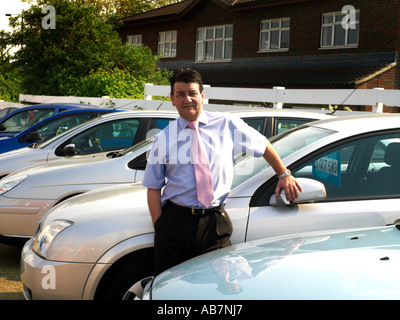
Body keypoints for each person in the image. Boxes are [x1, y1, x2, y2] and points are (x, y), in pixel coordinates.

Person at [142, 68, 302, 275]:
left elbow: (262, 145)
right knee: (172, 289)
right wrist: (161, 228)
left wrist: (283, 174)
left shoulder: (226, 124)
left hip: (214, 223)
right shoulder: (163, 138)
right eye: (180, 94)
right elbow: (153, 187)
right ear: (172, 99)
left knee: (218, 286)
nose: (187, 99)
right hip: (175, 224)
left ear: (202, 96)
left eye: (192, 93)